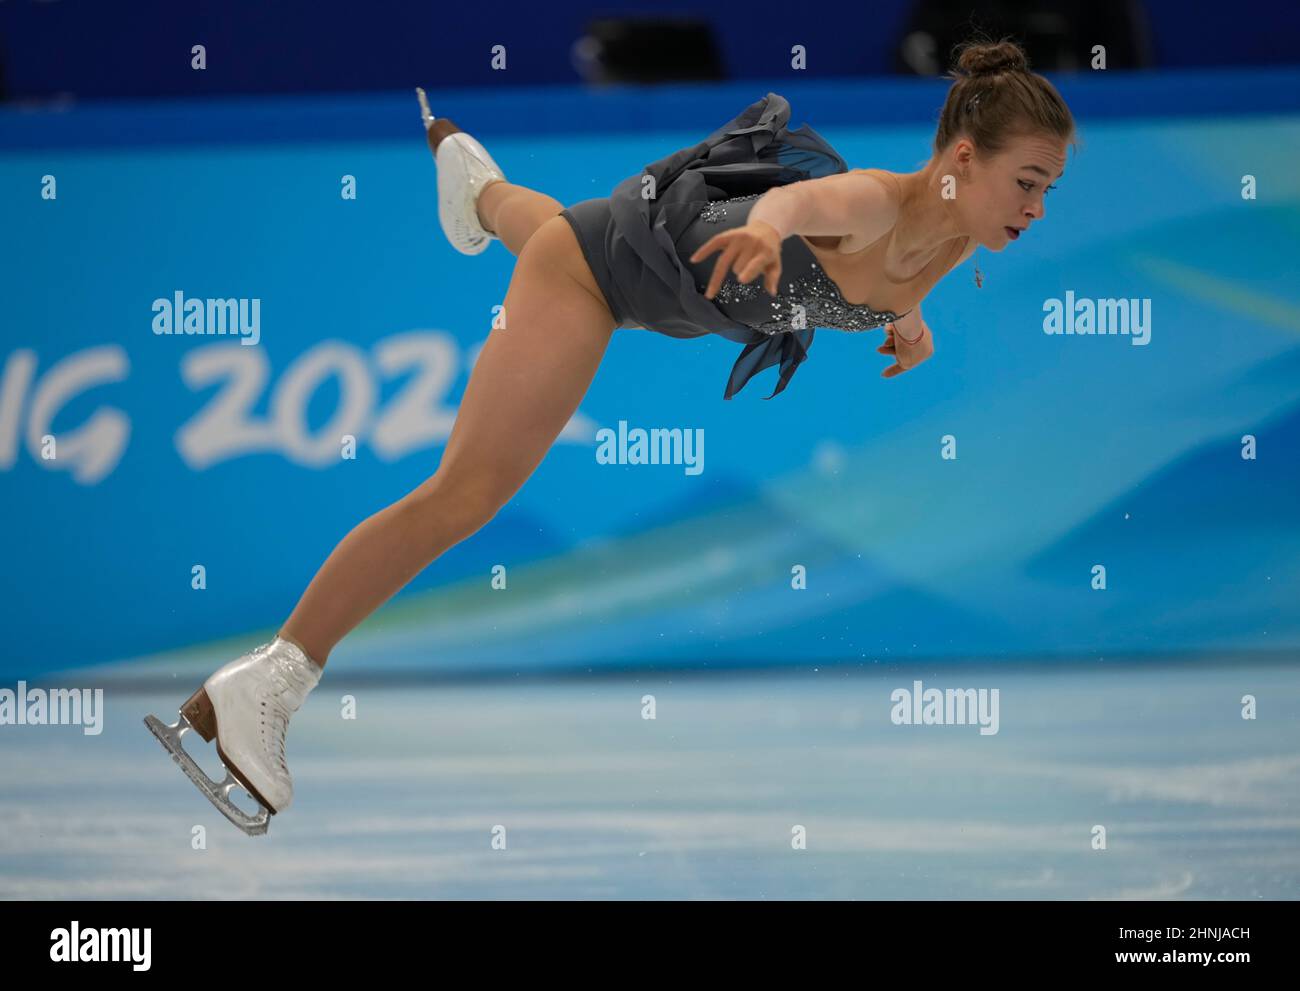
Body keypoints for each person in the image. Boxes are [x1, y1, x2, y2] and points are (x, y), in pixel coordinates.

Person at [145, 36, 1076, 834]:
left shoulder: (957, 240)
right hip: (594, 283)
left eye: (1049, 189)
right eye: (1026, 182)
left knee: (550, 223)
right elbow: (803, 209)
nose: (1035, 208)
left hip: (648, 283)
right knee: (464, 495)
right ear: (960, 157)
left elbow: (889, 286)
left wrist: (906, 325)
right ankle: (269, 681)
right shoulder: (876, 200)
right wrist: (767, 226)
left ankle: (475, 188)